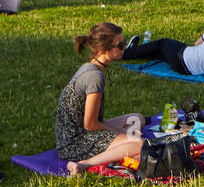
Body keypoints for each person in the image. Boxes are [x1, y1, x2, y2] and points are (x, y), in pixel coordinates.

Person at [57, 22, 144, 175]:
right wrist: (118, 133)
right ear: (105, 49)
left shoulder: (90, 67)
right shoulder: (95, 77)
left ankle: (120, 145)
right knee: (139, 143)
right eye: (120, 45)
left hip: (78, 131)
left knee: (137, 118)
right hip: (75, 141)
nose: (125, 48)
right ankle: (84, 164)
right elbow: (90, 124)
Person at [122, 12, 204, 77]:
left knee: (163, 43)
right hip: (193, 71)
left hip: (184, 60)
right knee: (162, 54)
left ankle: (126, 53)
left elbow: (196, 43)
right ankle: (134, 52)